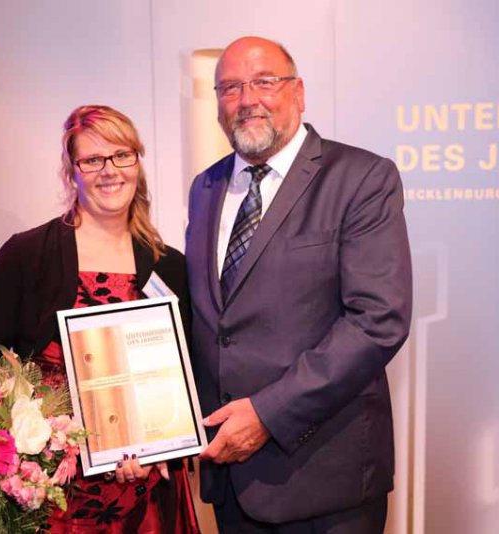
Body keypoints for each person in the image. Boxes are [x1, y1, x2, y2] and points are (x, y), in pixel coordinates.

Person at [185, 36, 413, 532]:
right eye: (230, 87)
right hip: (230, 481)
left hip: (325, 483)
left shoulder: (361, 178)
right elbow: (211, 323)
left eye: (264, 82)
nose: (247, 99)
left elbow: (378, 321)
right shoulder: (205, 187)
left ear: (299, 92)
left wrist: (267, 415)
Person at [0, 105, 200, 533]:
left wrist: (161, 448)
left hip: (146, 492)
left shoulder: (170, 265)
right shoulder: (26, 256)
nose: (110, 170)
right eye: (92, 160)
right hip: (57, 494)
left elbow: (183, 376)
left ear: (137, 163)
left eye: (122, 155)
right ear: (70, 171)